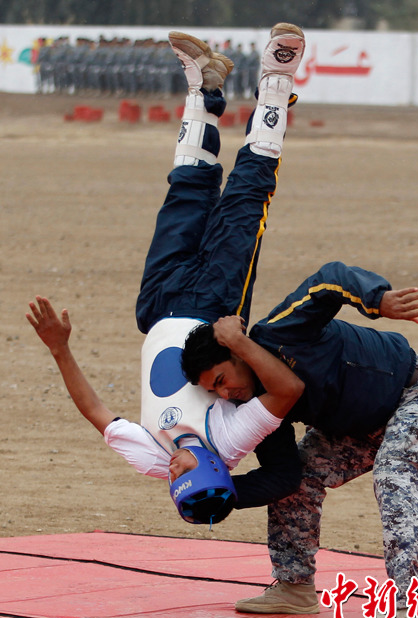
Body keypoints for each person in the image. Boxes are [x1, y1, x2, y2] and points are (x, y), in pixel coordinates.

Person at [26, 24, 306, 526]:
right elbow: (286, 393)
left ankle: (204, 91)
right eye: (187, 474)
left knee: (184, 194)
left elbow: (96, 413)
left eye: (175, 483)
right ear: (216, 468)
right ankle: (276, 81)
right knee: (246, 197)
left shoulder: (152, 459)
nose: (173, 473)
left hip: (157, 306)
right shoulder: (230, 441)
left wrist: (59, 349)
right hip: (216, 304)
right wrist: (239, 346)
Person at [181, 261, 418, 618]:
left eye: (221, 380)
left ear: (236, 352)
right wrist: (218, 493)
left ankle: (412, 605)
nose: (224, 393)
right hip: (354, 427)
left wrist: (378, 300)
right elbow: (282, 477)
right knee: (302, 480)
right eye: (214, 391)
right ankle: (294, 588)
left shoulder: (280, 331)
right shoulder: (257, 404)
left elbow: (329, 280)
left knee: (394, 474)